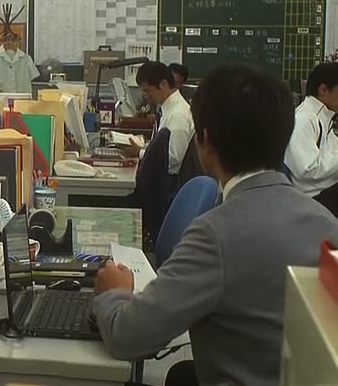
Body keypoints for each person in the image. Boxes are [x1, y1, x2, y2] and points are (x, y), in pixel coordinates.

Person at [92, 64, 338, 386]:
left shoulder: (215, 233)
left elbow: (128, 338)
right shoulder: (328, 223)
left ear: (205, 140)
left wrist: (114, 294)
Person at [121, 61, 194, 175]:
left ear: (163, 84)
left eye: (147, 90)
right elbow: (163, 148)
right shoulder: (168, 109)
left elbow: (173, 159)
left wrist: (140, 153)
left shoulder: (178, 115)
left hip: (170, 181)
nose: (145, 95)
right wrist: (143, 147)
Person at [284, 62, 338, 215]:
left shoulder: (324, 117)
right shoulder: (304, 119)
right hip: (312, 199)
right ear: (323, 90)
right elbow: (307, 170)